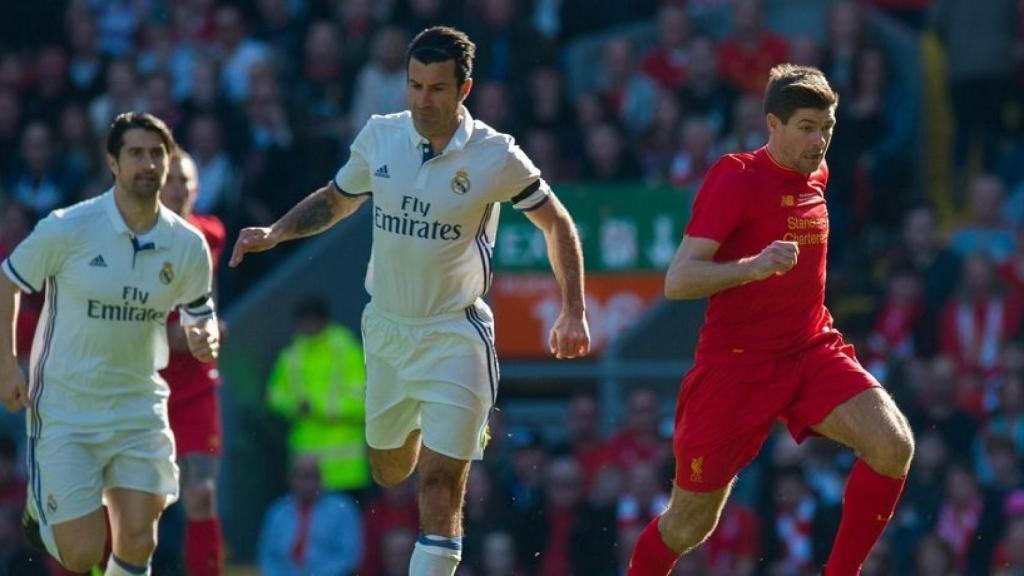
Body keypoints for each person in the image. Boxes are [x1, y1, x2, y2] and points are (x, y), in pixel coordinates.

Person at [230, 25, 590, 576]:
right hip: (387, 330)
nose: (423, 99)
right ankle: (432, 423)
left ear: (463, 89)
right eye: (415, 85)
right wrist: (276, 232)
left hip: (455, 333)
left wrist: (573, 309)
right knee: (388, 468)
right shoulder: (380, 136)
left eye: (437, 88)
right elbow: (337, 199)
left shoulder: (496, 155)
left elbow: (556, 222)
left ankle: (453, 425)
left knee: (441, 487)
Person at [626, 64, 915, 576]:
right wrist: (753, 266)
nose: (819, 140)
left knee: (893, 445)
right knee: (688, 527)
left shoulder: (818, 174)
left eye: (826, 127)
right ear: (773, 124)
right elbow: (679, 279)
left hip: (809, 350)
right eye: (806, 127)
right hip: (735, 368)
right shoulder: (735, 177)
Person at [0, 112, 219, 576]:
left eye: (156, 154)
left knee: (139, 538)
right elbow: (7, 281)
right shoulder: (68, 227)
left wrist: (206, 336)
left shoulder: (188, 245)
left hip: (139, 406)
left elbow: (202, 313)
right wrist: (5, 365)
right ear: (113, 164)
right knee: (81, 554)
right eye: (135, 153)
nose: (148, 163)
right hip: (68, 408)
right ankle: (41, 512)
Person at [157, 148, 226, 576]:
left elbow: (209, 307)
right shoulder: (135, 238)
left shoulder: (210, 235)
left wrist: (212, 329)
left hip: (197, 385)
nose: (180, 187)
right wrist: (173, 337)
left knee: (201, 492)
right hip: (146, 383)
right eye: (173, 179)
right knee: (131, 501)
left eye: (186, 180)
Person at [267, 296, 369, 494]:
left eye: (311, 321)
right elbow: (274, 397)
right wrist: (294, 406)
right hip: (305, 467)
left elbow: (364, 403)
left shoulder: (347, 352)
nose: (307, 327)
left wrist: (316, 408)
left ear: (323, 321)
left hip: (345, 469)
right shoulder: (292, 355)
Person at [257, 454, 363, 576]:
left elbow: (350, 556)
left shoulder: (342, 509)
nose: (310, 483)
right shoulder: (277, 512)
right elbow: (267, 557)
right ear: (291, 479)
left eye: (314, 476)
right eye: (303, 476)